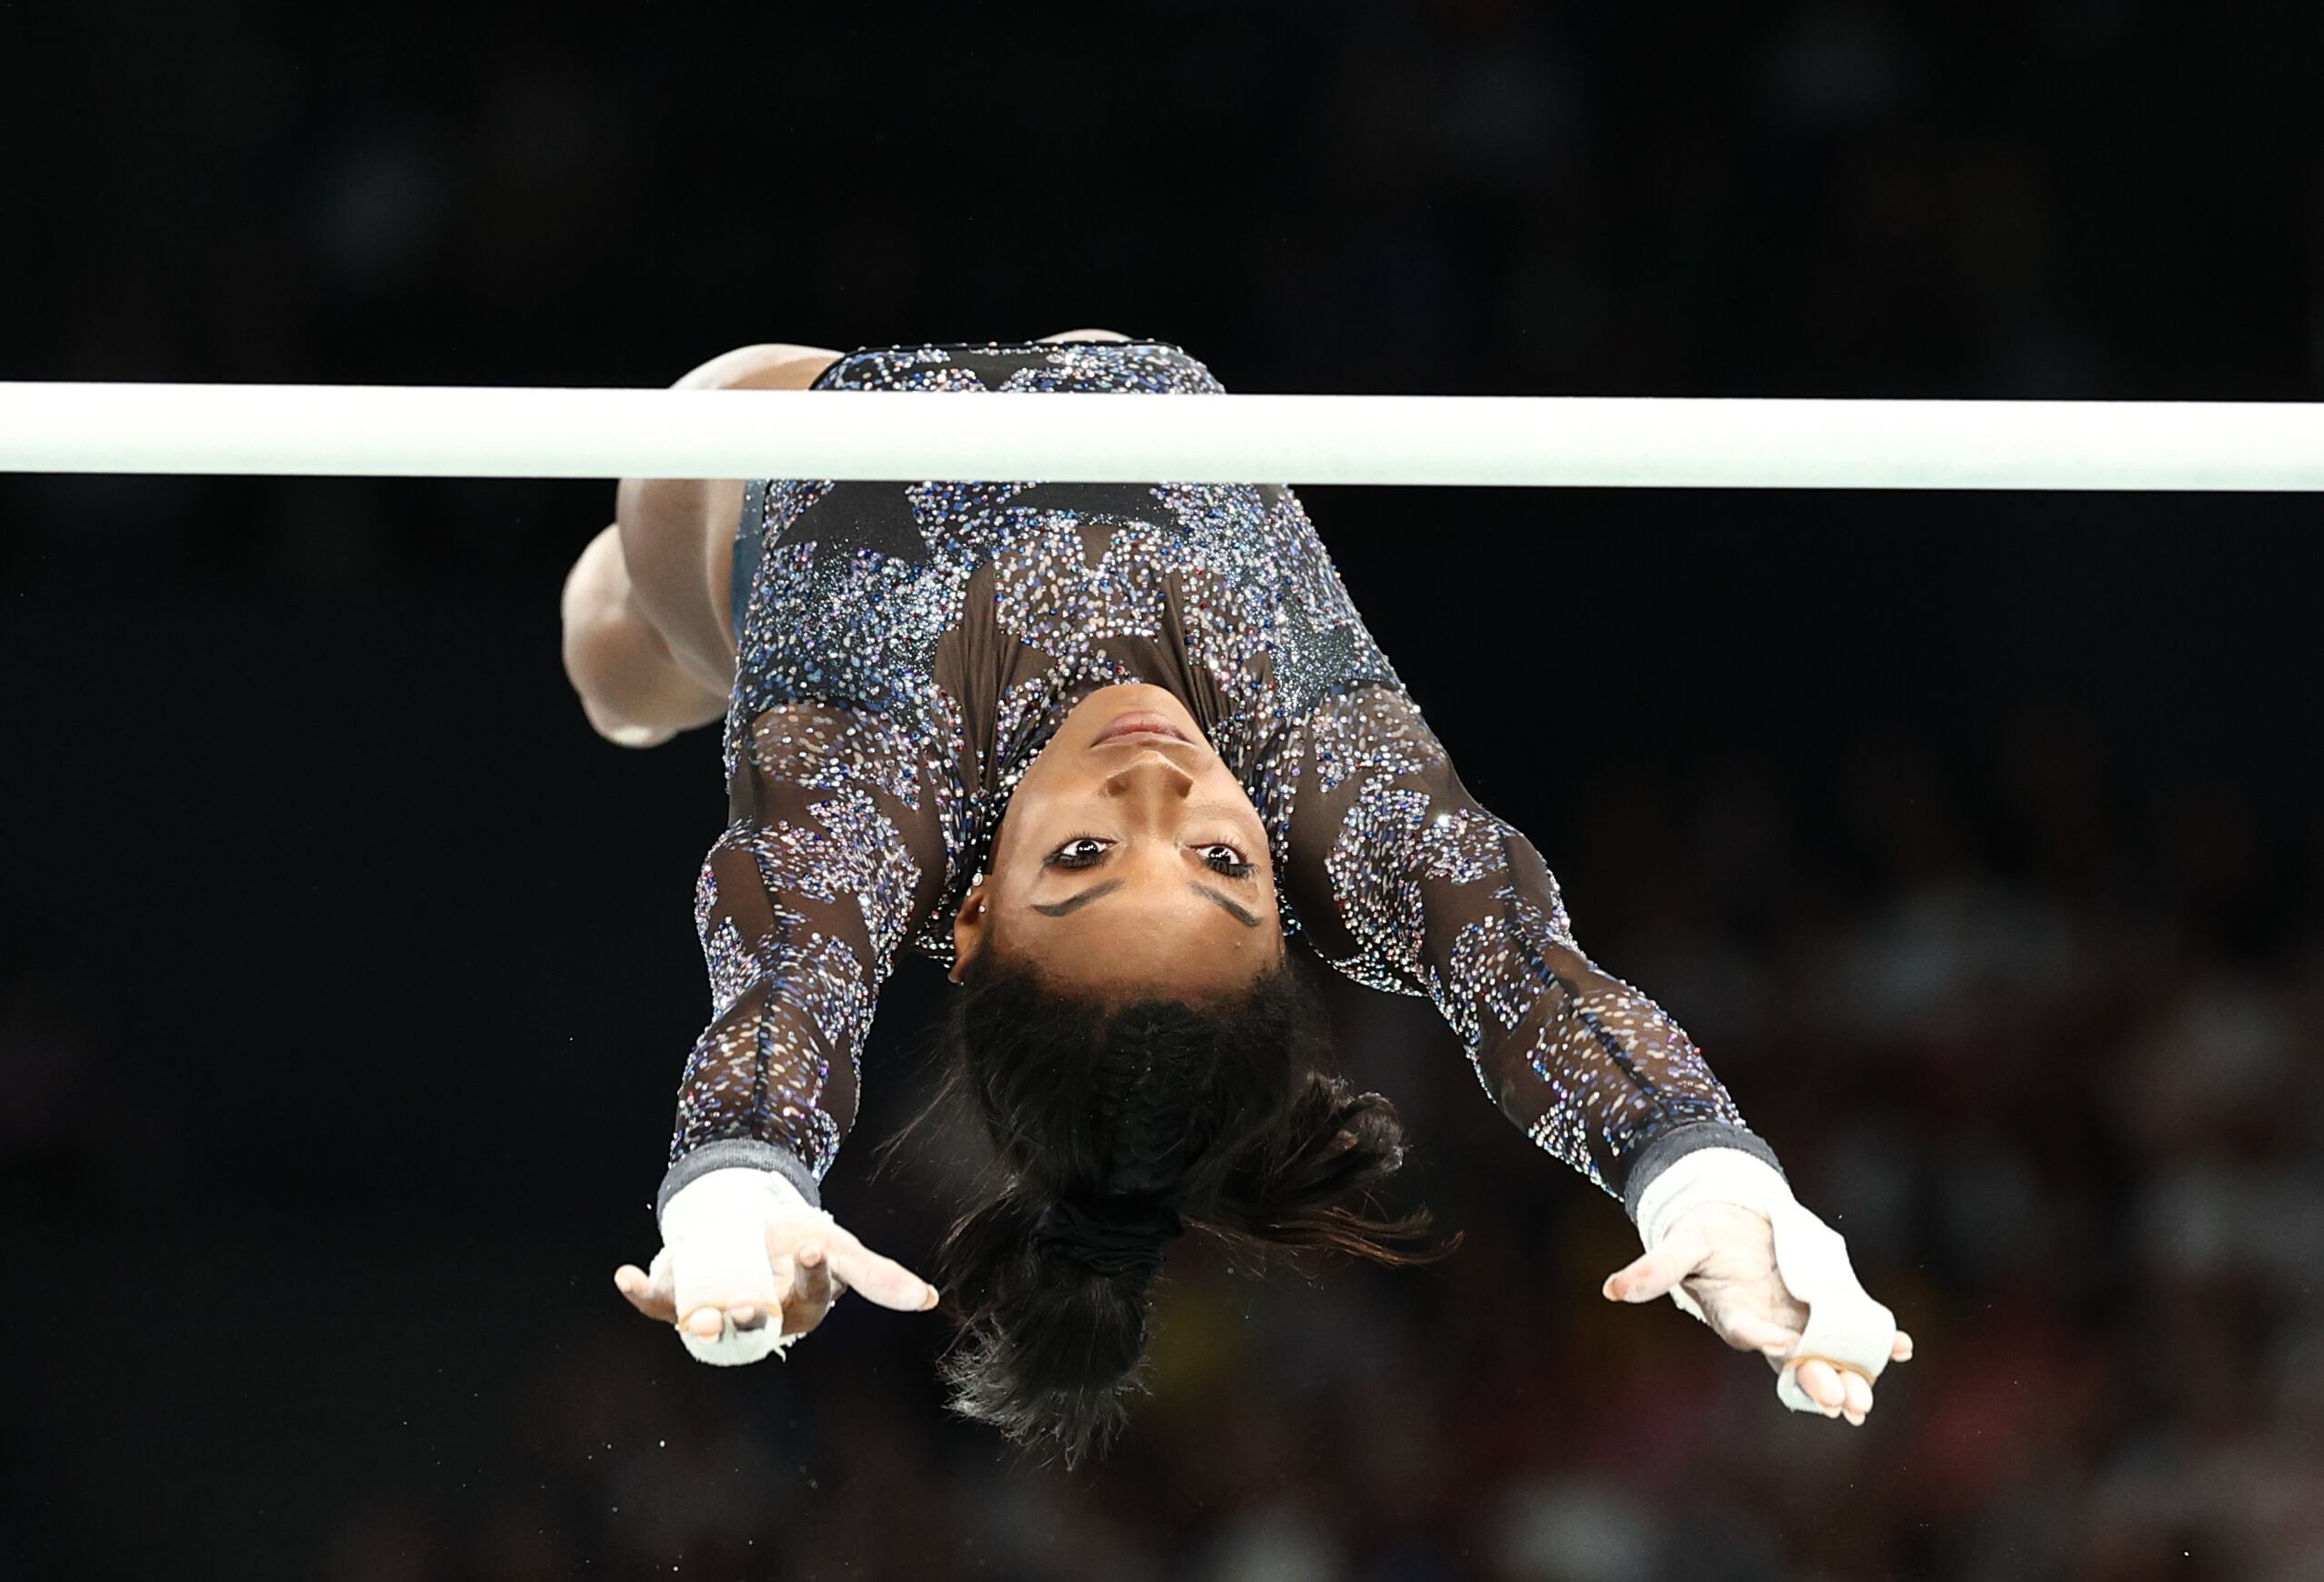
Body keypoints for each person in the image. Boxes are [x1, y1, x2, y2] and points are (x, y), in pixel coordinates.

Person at [564, 332, 1915, 1464]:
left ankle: (637, 675)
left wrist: (736, 1186)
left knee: (624, 665)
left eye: (1081, 861)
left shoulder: (871, 779)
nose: (1160, 793)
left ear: (969, 914)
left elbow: (785, 989)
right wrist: (1704, 1184)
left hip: (758, 453)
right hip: (1107, 368)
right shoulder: (1335, 788)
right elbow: (1525, 972)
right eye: (1225, 865)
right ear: (1292, 908)